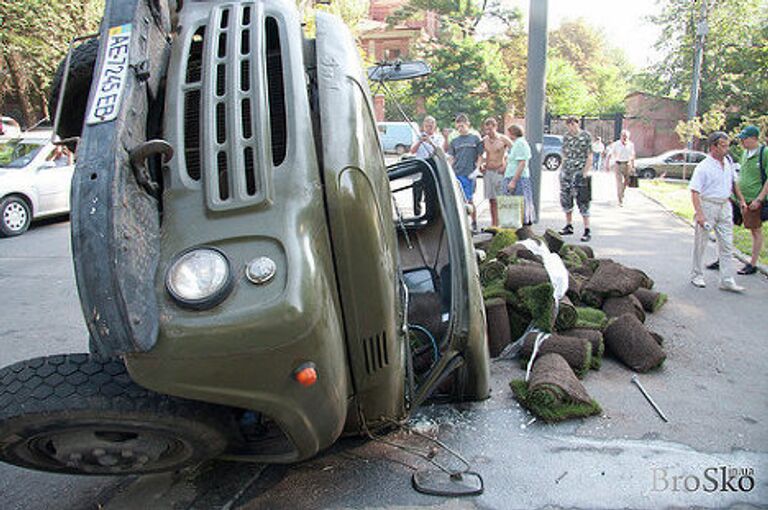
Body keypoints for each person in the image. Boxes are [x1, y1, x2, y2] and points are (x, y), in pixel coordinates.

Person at [689, 131, 746, 292]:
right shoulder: (703, 167)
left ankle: (726, 279)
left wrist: (741, 200)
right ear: (713, 146)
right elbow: (694, 191)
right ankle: (697, 275)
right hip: (708, 205)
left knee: (727, 244)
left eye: (727, 145)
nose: (726, 149)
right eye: (723, 145)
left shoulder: (728, 162)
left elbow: (734, 183)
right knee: (701, 243)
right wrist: (699, 213)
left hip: (725, 205)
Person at [733, 125, 768, 275]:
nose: (741, 141)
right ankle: (722, 258)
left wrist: (759, 199)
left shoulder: (764, 153)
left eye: (744, 138)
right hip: (741, 199)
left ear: (754, 138)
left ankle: (752, 263)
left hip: (754, 199)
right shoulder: (745, 153)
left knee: (755, 230)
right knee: (730, 225)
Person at [559, 117, 593, 242]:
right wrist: (562, 170)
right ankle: (569, 225)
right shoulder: (566, 137)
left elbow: (589, 155)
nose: (570, 127)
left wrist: (585, 172)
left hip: (579, 172)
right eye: (568, 125)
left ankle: (587, 229)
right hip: (567, 171)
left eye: (572, 124)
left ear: (576, 124)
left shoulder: (586, 136)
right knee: (566, 198)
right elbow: (564, 154)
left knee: (583, 200)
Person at [447, 113, 483, 231]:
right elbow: (452, 158)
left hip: (470, 173)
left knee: (470, 199)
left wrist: (477, 169)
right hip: (458, 173)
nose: (460, 129)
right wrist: (450, 171)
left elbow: (480, 155)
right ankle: (462, 224)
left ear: (468, 124)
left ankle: (474, 222)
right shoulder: (454, 141)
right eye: (458, 127)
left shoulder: (475, 139)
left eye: (462, 126)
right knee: (459, 199)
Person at [480, 117, 513, 227]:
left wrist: (506, 165)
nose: (488, 132)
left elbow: (514, 152)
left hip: (499, 171)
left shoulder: (503, 139)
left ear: (495, 127)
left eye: (490, 129)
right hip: (489, 171)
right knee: (491, 199)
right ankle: (494, 224)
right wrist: (482, 164)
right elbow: (481, 155)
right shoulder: (484, 140)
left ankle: (503, 224)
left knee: (501, 199)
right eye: (486, 130)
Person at [410, 116, 444, 216]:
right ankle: (417, 214)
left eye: (431, 125)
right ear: (423, 126)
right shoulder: (418, 136)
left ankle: (430, 215)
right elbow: (412, 151)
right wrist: (420, 141)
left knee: (430, 194)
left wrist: (430, 142)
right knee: (417, 193)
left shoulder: (438, 137)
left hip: (432, 167)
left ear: (435, 126)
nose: (429, 128)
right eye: (427, 126)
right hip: (420, 168)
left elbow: (440, 151)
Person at [504, 124, 536, 225]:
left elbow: (522, 163)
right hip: (511, 176)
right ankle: (512, 224)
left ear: (512, 133)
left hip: (518, 179)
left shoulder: (520, 143)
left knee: (521, 203)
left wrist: (513, 181)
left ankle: (523, 224)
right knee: (511, 203)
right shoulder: (516, 143)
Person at [606, 129, 636, 206]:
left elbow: (632, 156)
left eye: (626, 136)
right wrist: (607, 164)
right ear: (621, 136)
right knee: (619, 182)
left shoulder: (631, 145)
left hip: (627, 164)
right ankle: (620, 200)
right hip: (618, 164)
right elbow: (609, 154)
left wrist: (633, 166)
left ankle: (622, 192)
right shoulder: (616, 144)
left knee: (626, 181)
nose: (625, 138)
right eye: (623, 136)